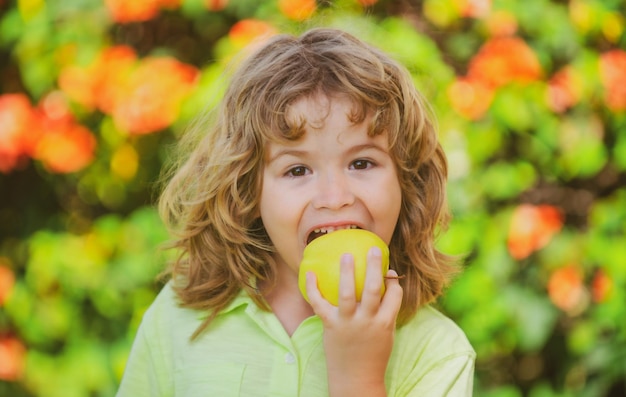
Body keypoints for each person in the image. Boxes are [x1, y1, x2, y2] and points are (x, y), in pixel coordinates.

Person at [116, 27, 475, 396]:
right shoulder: (179, 318)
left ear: (407, 180)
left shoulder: (436, 353)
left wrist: (358, 378)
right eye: (297, 170)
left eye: (362, 163)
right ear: (248, 191)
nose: (334, 198)